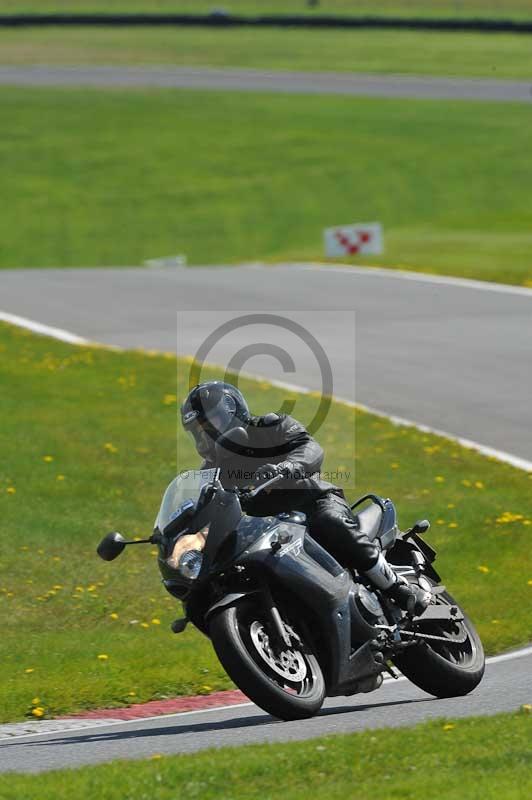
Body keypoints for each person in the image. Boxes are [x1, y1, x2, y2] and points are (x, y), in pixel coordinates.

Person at [181, 381, 430, 614]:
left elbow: (309, 448)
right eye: (199, 432)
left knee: (329, 522)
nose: (206, 436)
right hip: (272, 530)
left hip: (312, 502)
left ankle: (397, 587)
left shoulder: (269, 426)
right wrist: (180, 530)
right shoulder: (211, 472)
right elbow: (205, 507)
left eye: (211, 424)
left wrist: (287, 466)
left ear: (232, 410)